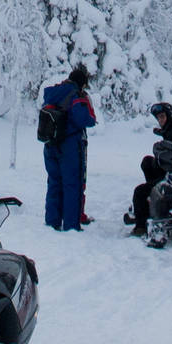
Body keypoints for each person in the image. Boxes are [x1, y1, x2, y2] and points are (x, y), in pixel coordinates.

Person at [39, 64, 97, 230]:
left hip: (50, 144)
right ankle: (71, 226)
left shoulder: (53, 92)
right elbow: (85, 119)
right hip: (70, 145)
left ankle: (52, 222)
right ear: (81, 83)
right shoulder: (76, 95)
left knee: (54, 183)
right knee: (72, 184)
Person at [125, 102, 172, 235]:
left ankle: (140, 226)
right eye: (158, 118)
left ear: (169, 115)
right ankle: (154, 199)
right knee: (147, 162)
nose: (160, 120)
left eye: (162, 117)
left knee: (139, 192)